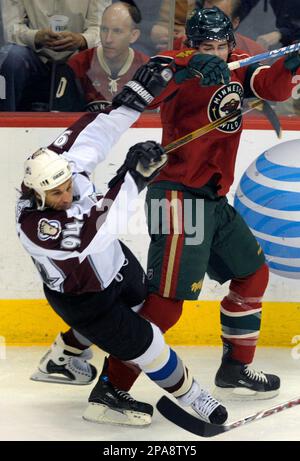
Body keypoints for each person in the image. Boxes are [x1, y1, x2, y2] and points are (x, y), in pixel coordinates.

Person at [99, 7, 300, 402]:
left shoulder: (239, 67)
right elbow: (148, 81)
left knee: (253, 274)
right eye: (204, 45)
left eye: (221, 45)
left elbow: (271, 87)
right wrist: (191, 63)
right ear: (188, 43)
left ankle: (235, 367)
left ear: (231, 43)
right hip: (175, 197)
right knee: (166, 307)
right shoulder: (175, 68)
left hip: (212, 200)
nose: (216, 51)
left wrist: (290, 64)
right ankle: (111, 388)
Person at [16, 60, 228, 427]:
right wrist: (131, 179)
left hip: (116, 264)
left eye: (68, 186)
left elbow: (93, 135)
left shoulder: (58, 165)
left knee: (146, 309)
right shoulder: (36, 225)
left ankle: (62, 358)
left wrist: (132, 101)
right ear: (36, 193)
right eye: (56, 194)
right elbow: (95, 232)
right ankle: (191, 396)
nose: (66, 195)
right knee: (149, 343)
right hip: (83, 299)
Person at [0, 0, 104, 111]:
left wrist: (82, 40)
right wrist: (35, 36)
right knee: (11, 58)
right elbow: (11, 28)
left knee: (106, 51)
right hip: (35, 55)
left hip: (79, 55)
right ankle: (5, 122)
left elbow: (102, 26)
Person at [54, 1, 149, 112]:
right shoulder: (76, 66)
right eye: (104, 29)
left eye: (117, 31)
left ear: (133, 36)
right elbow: (59, 122)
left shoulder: (147, 70)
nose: (108, 39)